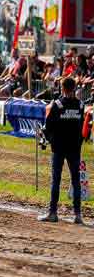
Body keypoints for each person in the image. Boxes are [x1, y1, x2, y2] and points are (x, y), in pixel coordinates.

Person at [39, 76, 85, 224]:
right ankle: (78, 215)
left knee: (56, 180)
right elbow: (81, 127)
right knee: (76, 181)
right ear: (74, 87)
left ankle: (53, 213)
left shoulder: (57, 104)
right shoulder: (81, 105)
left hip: (59, 148)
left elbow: (48, 127)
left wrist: (46, 138)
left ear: (63, 88)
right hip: (74, 148)